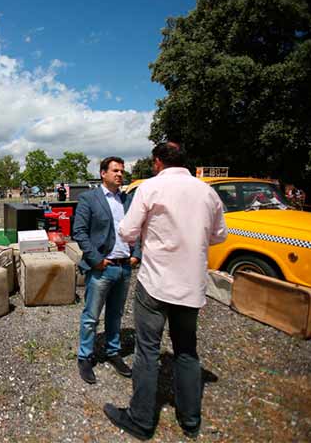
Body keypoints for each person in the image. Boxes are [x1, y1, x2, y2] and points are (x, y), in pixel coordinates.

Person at [102, 142, 227, 440]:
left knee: (147, 351)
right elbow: (219, 235)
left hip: (156, 284)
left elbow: (127, 232)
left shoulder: (150, 188)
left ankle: (141, 420)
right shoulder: (207, 192)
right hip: (191, 285)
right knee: (186, 351)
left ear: (157, 162)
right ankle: (190, 421)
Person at [72, 156, 141, 385]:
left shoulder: (127, 199)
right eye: (115, 170)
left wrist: (136, 255)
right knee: (91, 317)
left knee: (116, 314)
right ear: (103, 173)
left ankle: (113, 352)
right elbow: (79, 232)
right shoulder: (89, 199)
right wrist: (96, 260)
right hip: (103, 268)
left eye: (122, 171)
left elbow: (138, 229)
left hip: (124, 267)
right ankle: (85, 356)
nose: (120, 174)